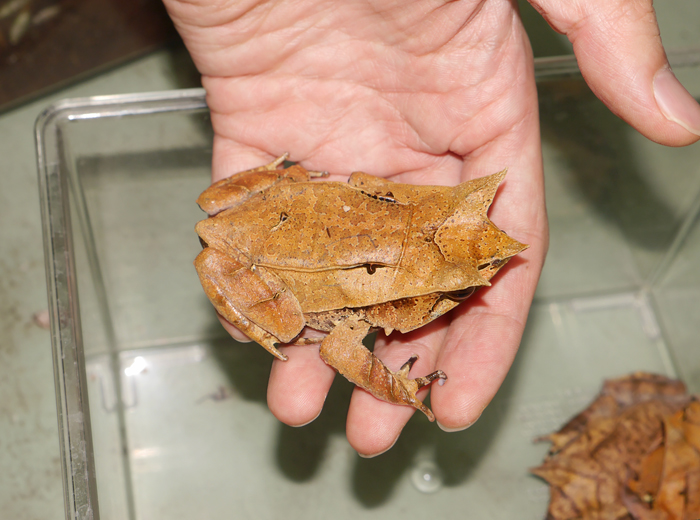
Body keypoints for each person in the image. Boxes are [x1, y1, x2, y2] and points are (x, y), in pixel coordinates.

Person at [161, 0, 700, 457]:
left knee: (269, 208)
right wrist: (396, 387)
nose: (463, 294)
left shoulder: (384, 195)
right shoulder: (360, 312)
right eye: (455, 292)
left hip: (280, 206)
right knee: (286, 324)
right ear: (401, 305)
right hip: (248, 255)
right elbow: (338, 350)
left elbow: (364, 182)